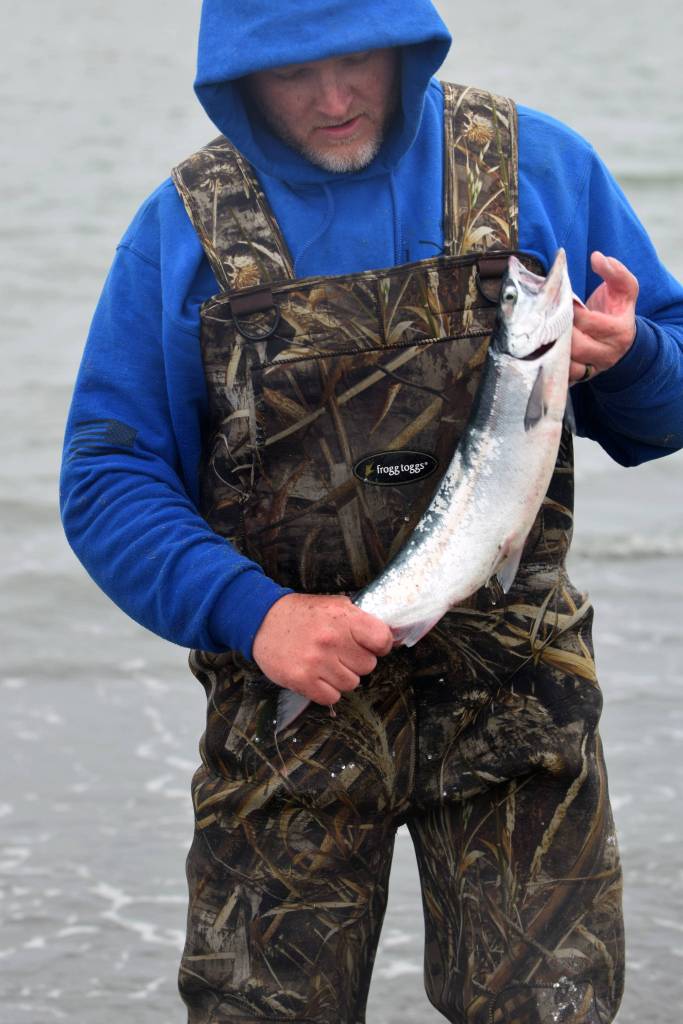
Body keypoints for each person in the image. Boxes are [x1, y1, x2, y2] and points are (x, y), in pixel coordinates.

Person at [60, 1, 683, 1021]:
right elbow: (107, 477)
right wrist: (252, 613)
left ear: (403, 46)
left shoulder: (536, 168)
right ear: (238, 75)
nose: (334, 98)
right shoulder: (184, 226)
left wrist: (635, 357)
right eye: (292, 73)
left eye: (355, 62)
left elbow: (659, 406)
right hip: (290, 705)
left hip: (516, 709)